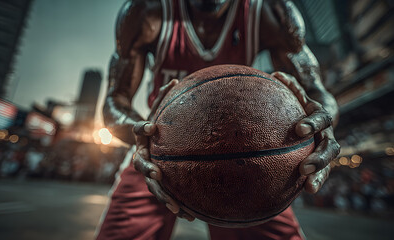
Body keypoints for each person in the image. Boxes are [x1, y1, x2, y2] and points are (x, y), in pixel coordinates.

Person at [96, 0, 341, 239]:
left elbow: (317, 93)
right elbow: (115, 102)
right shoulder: (145, 11)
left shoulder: (272, 12)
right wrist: (141, 135)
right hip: (158, 152)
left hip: (248, 155)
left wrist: (322, 124)